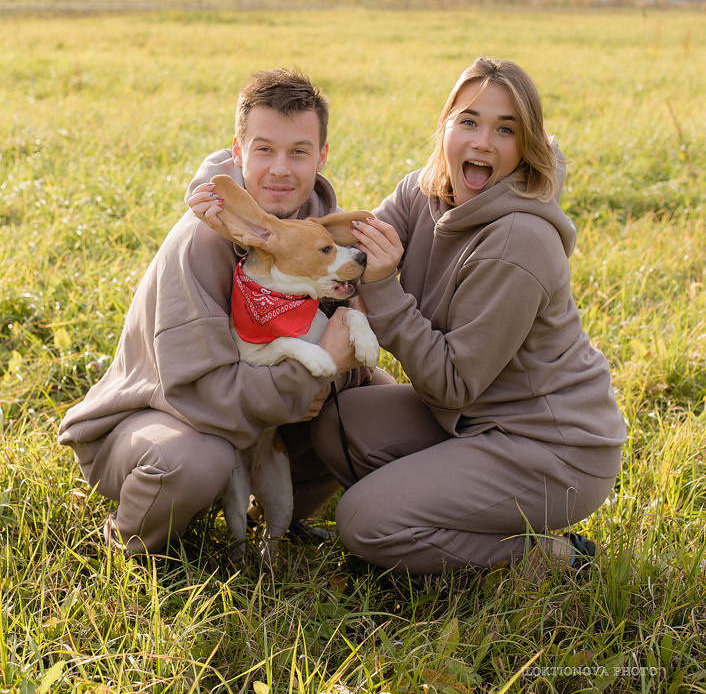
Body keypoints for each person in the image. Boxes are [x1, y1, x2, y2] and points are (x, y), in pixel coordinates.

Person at [310, 57, 627, 574]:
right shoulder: (421, 191)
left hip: (552, 447)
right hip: (472, 422)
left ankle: (549, 559)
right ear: (446, 127)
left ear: (526, 146)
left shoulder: (519, 242)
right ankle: (437, 522)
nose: (482, 142)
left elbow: (452, 384)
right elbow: (352, 257)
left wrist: (384, 289)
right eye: (469, 121)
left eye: (506, 129)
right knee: (338, 428)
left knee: (362, 522)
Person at [58, 67, 390, 555]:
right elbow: (202, 397)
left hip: (253, 411)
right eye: (263, 149)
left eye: (298, 151)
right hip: (158, 419)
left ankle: (274, 519)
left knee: (373, 408)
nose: (280, 168)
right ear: (238, 152)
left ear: (321, 156)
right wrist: (313, 376)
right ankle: (123, 543)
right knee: (195, 461)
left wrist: (344, 363)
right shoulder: (199, 243)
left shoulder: (318, 236)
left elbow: (343, 356)